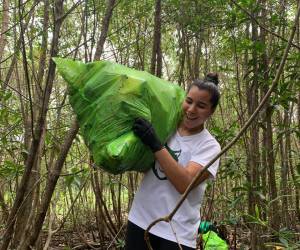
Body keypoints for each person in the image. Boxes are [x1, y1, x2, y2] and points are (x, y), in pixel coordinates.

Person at [125, 73, 221, 250]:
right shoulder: (166, 125)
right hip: (140, 219)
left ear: (211, 111)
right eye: (189, 101)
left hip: (177, 231)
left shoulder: (210, 146)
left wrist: (155, 144)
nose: (191, 110)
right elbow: (145, 165)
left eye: (201, 106)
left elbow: (184, 183)